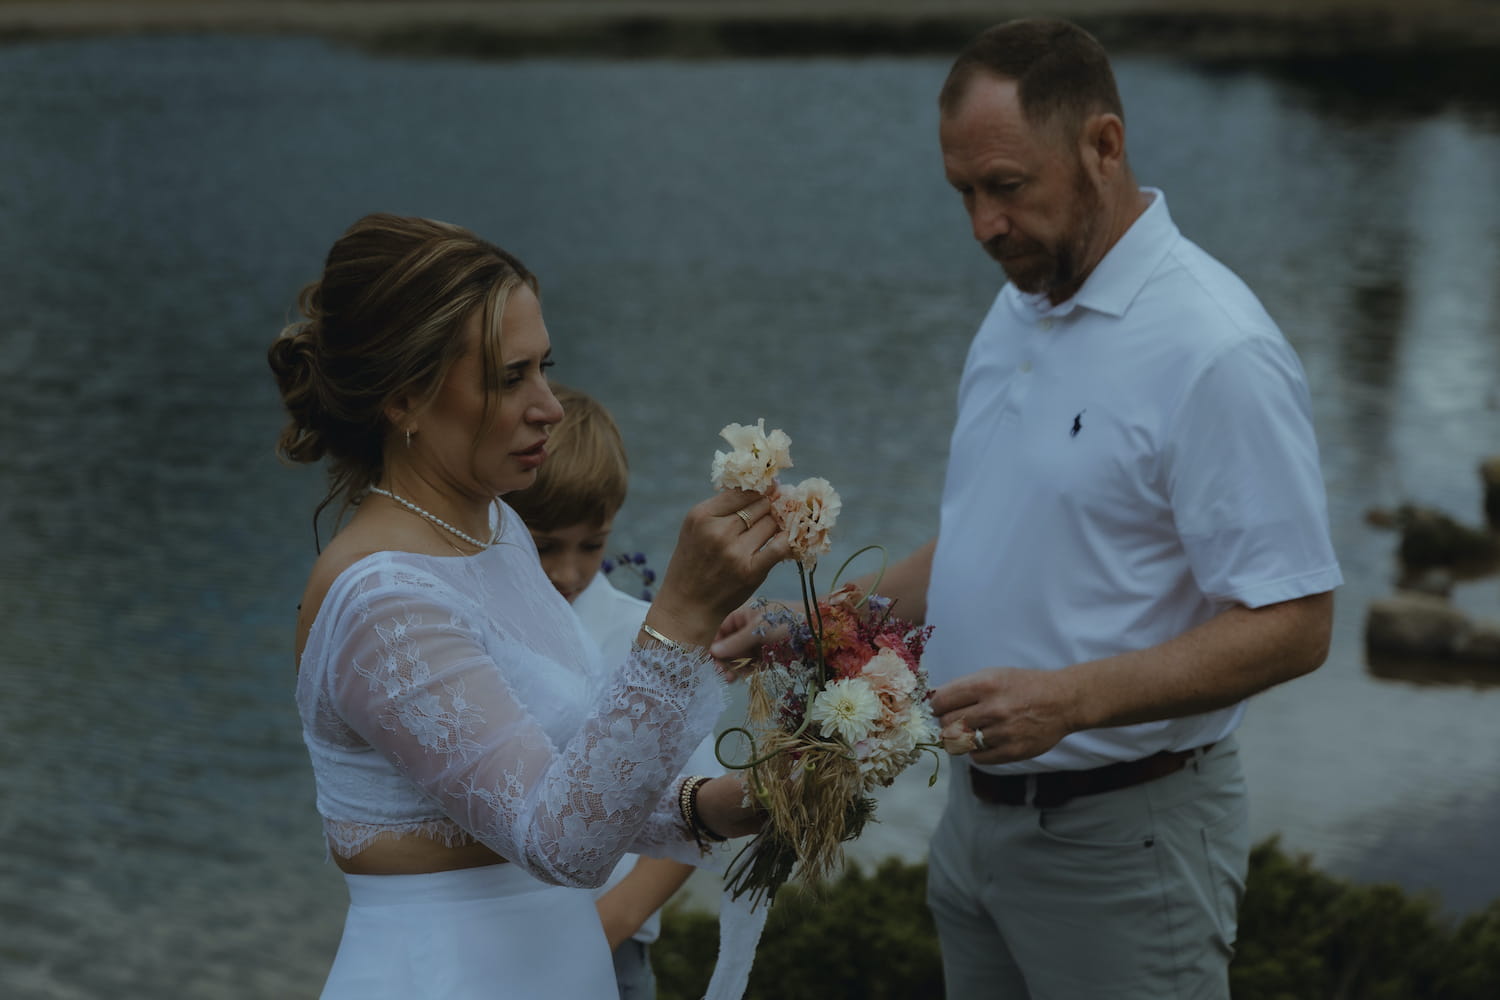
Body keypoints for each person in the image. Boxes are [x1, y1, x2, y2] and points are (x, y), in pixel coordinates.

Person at [713, 18, 1342, 1000]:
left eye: (1006, 186)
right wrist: (823, 626)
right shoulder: (1020, 306)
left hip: (1126, 841)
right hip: (976, 825)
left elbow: (1297, 622)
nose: (984, 226)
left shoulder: (1216, 350)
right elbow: (984, 543)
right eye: (964, 192)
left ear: (1103, 146)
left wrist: (1071, 700)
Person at [267, 213, 789, 999]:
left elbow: (559, 779)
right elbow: (561, 845)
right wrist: (681, 613)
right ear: (404, 397)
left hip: (559, 965)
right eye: (510, 378)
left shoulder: (497, 526)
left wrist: (714, 805)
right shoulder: (383, 601)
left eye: (545, 368)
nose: (550, 407)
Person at [507, 383, 718, 1000]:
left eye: (592, 546)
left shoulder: (645, 638)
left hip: (609, 945)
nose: (569, 572)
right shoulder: (469, 630)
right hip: (492, 939)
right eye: (544, 545)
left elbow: (698, 810)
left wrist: (611, 924)